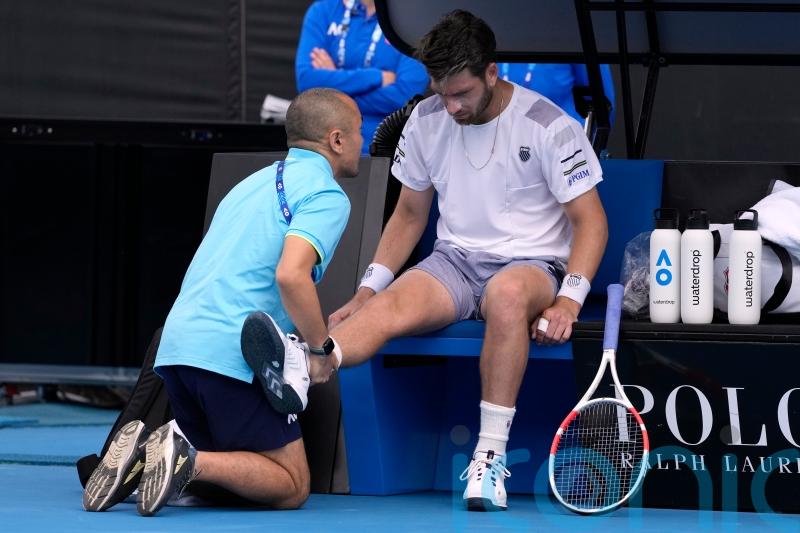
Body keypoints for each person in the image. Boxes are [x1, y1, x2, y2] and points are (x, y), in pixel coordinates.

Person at [255, 9, 609, 512]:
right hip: (454, 262)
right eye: (442, 92)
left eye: (461, 93)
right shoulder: (426, 119)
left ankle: (489, 458)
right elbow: (408, 215)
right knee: (388, 305)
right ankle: (311, 365)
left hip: (531, 265)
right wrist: (367, 290)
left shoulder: (548, 125)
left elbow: (591, 222)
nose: (452, 106)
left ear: (492, 73)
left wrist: (570, 301)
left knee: (506, 296)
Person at [81, 88, 363, 516]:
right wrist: (320, 350)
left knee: (232, 479)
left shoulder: (250, 183)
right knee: (291, 485)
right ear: (337, 139)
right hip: (233, 356)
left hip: (175, 351)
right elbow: (291, 275)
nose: (366, 139)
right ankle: (183, 453)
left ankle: (147, 459)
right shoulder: (327, 195)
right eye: (360, 131)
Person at [296, 0, 429, 153]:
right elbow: (307, 81)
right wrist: (377, 77)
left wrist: (331, 87)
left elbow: (405, 96)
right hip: (323, 149)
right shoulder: (322, 11)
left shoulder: (412, 18)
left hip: (383, 151)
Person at [496, 63, 615, 125]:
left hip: (563, 151)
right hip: (503, 148)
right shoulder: (488, 38)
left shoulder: (570, 30)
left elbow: (603, 106)